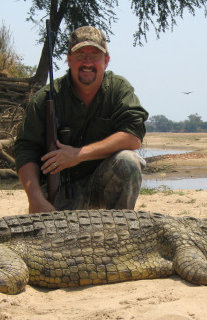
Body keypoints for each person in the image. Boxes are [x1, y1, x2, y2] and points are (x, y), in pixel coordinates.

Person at [14, 26, 148, 214]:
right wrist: (35, 199)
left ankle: (120, 231)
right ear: (69, 59)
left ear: (106, 60)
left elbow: (133, 136)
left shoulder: (119, 89)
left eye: (94, 55)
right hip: (60, 192)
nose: (87, 62)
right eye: (80, 55)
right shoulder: (44, 98)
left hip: (102, 186)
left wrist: (78, 154)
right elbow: (25, 149)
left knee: (128, 161)